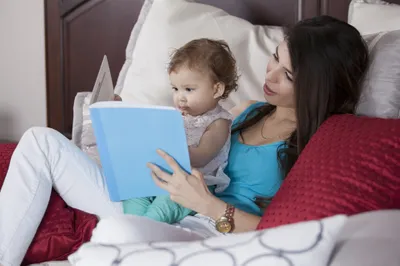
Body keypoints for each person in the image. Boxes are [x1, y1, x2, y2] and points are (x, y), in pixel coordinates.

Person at [0, 15, 369, 266]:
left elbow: (290, 232)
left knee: (117, 232)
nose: (269, 74)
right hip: (154, 196)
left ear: (317, 85)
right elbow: (192, 125)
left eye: (286, 73)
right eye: (274, 57)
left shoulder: (318, 145)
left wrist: (207, 206)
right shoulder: (252, 110)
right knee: (39, 141)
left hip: (203, 228)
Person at [122, 38, 237, 224]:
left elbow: (201, 156)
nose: (179, 97)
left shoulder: (219, 123)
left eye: (189, 89)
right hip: (165, 176)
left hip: (194, 186)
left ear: (216, 90)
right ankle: (130, 227)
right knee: (133, 195)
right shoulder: (177, 114)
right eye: (175, 88)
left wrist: (167, 146)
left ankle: (144, 231)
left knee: (162, 208)